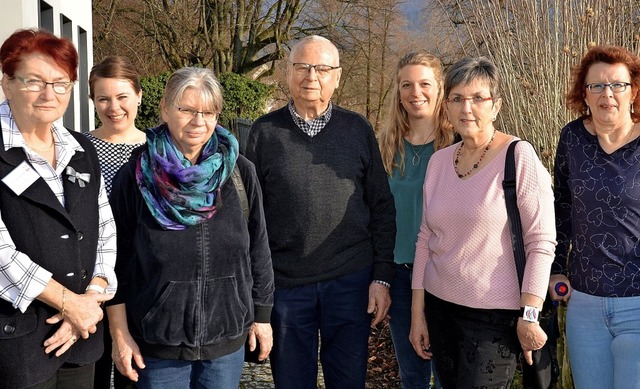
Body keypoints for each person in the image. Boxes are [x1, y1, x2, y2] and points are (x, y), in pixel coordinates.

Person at [106, 67, 274, 389]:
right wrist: (120, 334)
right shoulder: (136, 176)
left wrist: (262, 317)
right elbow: (116, 261)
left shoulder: (239, 173)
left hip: (225, 344)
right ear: (165, 108)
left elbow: (258, 250)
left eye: (208, 112)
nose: (199, 121)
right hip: (158, 346)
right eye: (186, 109)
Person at [245, 35, 396, 389]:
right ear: (289, 73)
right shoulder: (264, 133)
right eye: (303, 67)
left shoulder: (357, 129)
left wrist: (382, 277)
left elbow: (381, 205)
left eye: (323, 68)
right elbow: (250, 218)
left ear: (337, 77)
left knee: (348, 381)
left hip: (349, 280)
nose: (312, 76)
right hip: (286, 285)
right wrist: (258, 295)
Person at [409, 57, 556, 388]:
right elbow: (425, 239)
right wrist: (418, 315)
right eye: (457, 98)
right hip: (439, 309)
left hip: (493, 320)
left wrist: (529, 315)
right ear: (446, 106)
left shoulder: (519, 157)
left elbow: (541, 243)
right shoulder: (438, 162)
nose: (467, 108)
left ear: (496, 105)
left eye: (478, 98)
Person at [0, 28, 117, 388]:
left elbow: (105, 227)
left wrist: (92, 298)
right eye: (34, 81)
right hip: (17, 339)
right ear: (6, 82)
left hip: (81, 335)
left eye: (61, 83)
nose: (49, 94)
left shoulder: (81, 148)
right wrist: (69, 303)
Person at [551, 45, 640, 388]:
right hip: (584, 303)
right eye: (597, 86)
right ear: (584, 94)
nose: (608, 94)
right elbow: (563, 207)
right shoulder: (572, 138)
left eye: (618, 84)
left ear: (633, 90)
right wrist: (557, 266)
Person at [377, 50, 451, 389]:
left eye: (424, 84)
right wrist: (379, 279)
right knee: (413, 377)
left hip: (447, 277)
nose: (415, 92)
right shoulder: (385, 146)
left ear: (439, 88)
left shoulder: (459, 145)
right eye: (407, 84)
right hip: (401, 275)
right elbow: (375, 216)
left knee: (452, 374)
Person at [87, 55, 145, 389]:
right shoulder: (76, 149)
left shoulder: (159, 149)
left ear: (138, 95)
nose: (114, 107)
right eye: (103, 98)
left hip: (140, 287)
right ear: (93, 101)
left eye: (122, 97)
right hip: (90, 286)